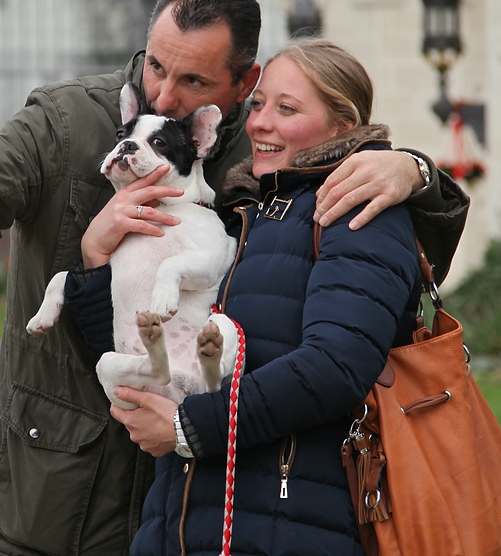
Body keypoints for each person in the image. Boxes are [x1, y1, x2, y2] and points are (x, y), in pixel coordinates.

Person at [0, 0, 468, 556]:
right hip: (63, 490)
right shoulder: (69, 120)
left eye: (194, 81)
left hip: (197, 500)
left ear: (243, 83)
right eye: (156, 65)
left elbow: (380, 271)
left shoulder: (262, 157)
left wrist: (414, 170)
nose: (163, 92)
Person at [103, 37, 425, 555]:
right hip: (185, 525)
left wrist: (187, 427)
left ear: (342, 125)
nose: (260, 123)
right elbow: (149, 328)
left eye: (287, 109)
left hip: (288, 525)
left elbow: (336, 367)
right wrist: (94, 257)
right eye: (258, 105)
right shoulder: (244, 213)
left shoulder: (358, 211)